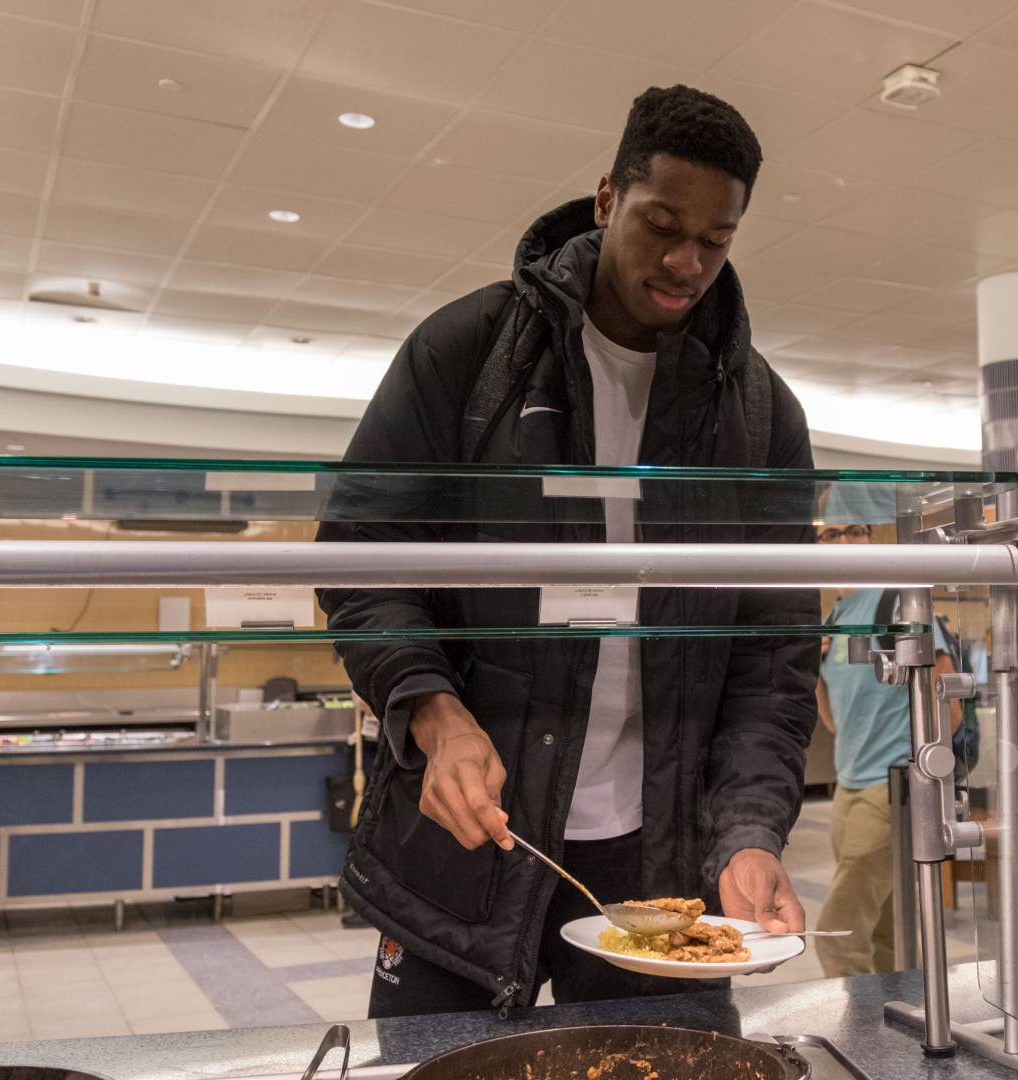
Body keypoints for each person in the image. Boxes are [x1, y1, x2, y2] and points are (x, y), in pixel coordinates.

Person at [316, 85, 819, 1017]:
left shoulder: (758, 415)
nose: (685, 262)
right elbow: (361, 554)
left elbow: (775, 656)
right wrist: (433, 713)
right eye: (661, 225)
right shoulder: (473, 353)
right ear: (605, 198)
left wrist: (750, 832)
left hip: (659, 867)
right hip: (466, 846)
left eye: (716, 241)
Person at [811, 523, 960, 977]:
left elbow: (946, 699)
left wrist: (920, 772)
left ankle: (855, 1035)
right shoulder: (836, 617)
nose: (841, 544)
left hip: (890, 786)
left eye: (854, 532)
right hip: (849, 783)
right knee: (887, 928)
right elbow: (832, 709)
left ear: (872, 539)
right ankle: (895, 1024)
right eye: (831, 534)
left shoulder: (895, 601)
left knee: (839, 932)